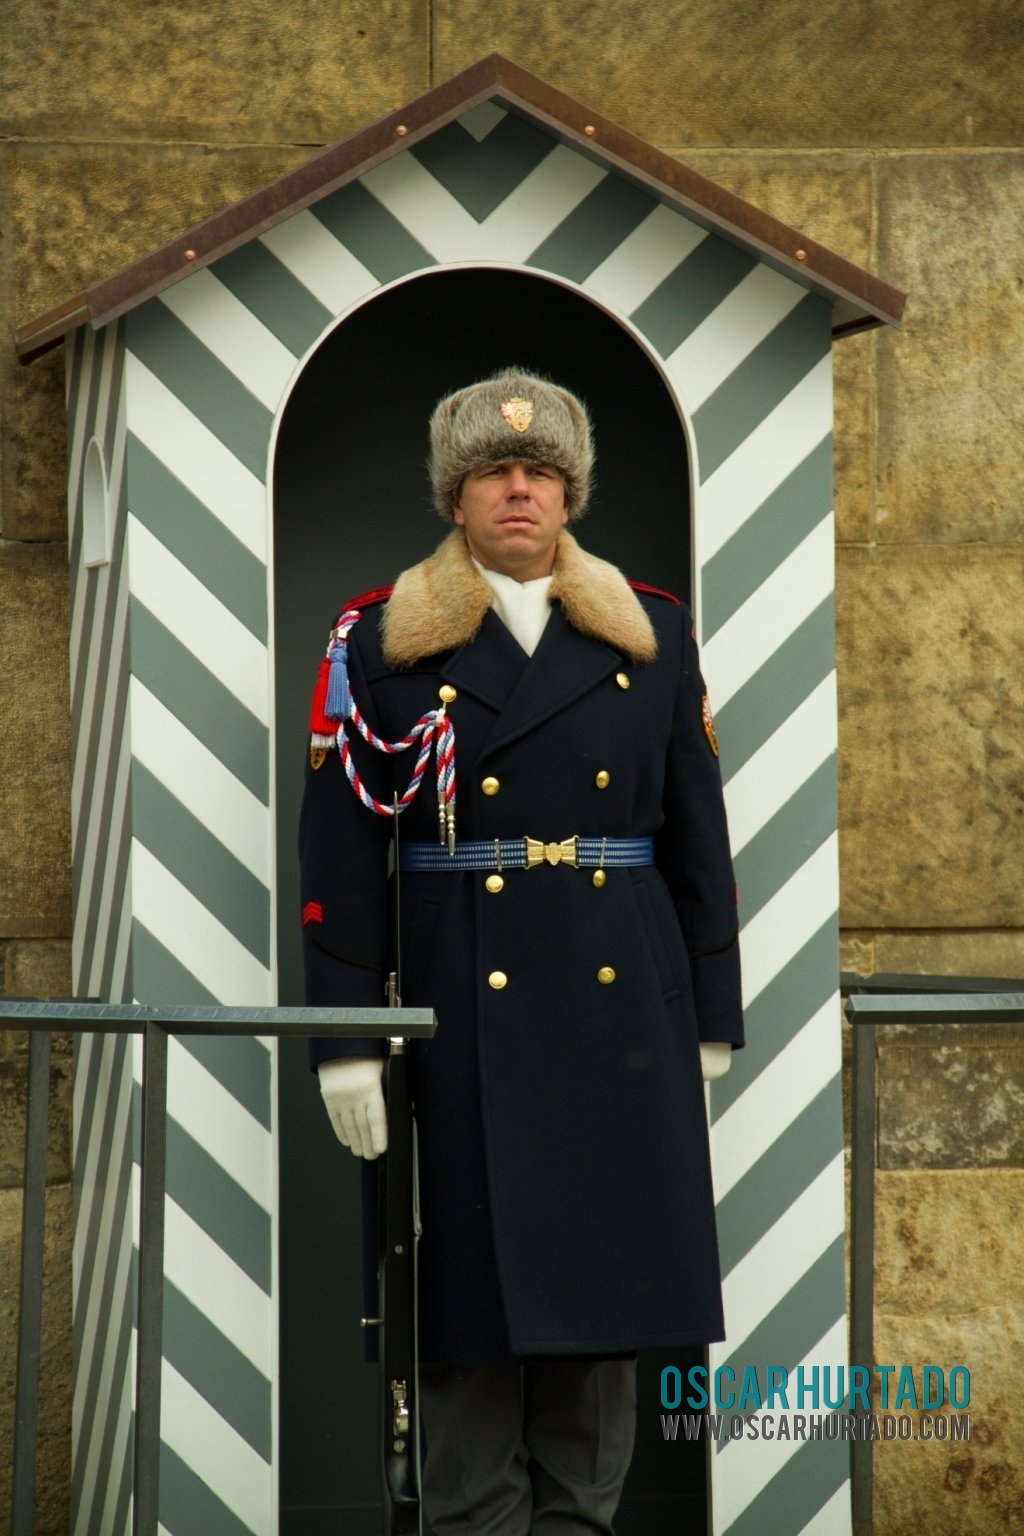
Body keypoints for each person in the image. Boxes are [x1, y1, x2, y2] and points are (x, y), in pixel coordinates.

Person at [299, 366, 743, 1535]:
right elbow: (341, 851)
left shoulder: (652, 633)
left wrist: (706, 1011)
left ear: (569, 495)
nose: (518, 490)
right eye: (494, 472)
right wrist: (346, 1044)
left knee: (600, 1313)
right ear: (456, 498)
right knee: (460, 1314)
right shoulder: (383, 639)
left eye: (540, 473)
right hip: (456, 1015)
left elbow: (696, 833)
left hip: (620, 1019)